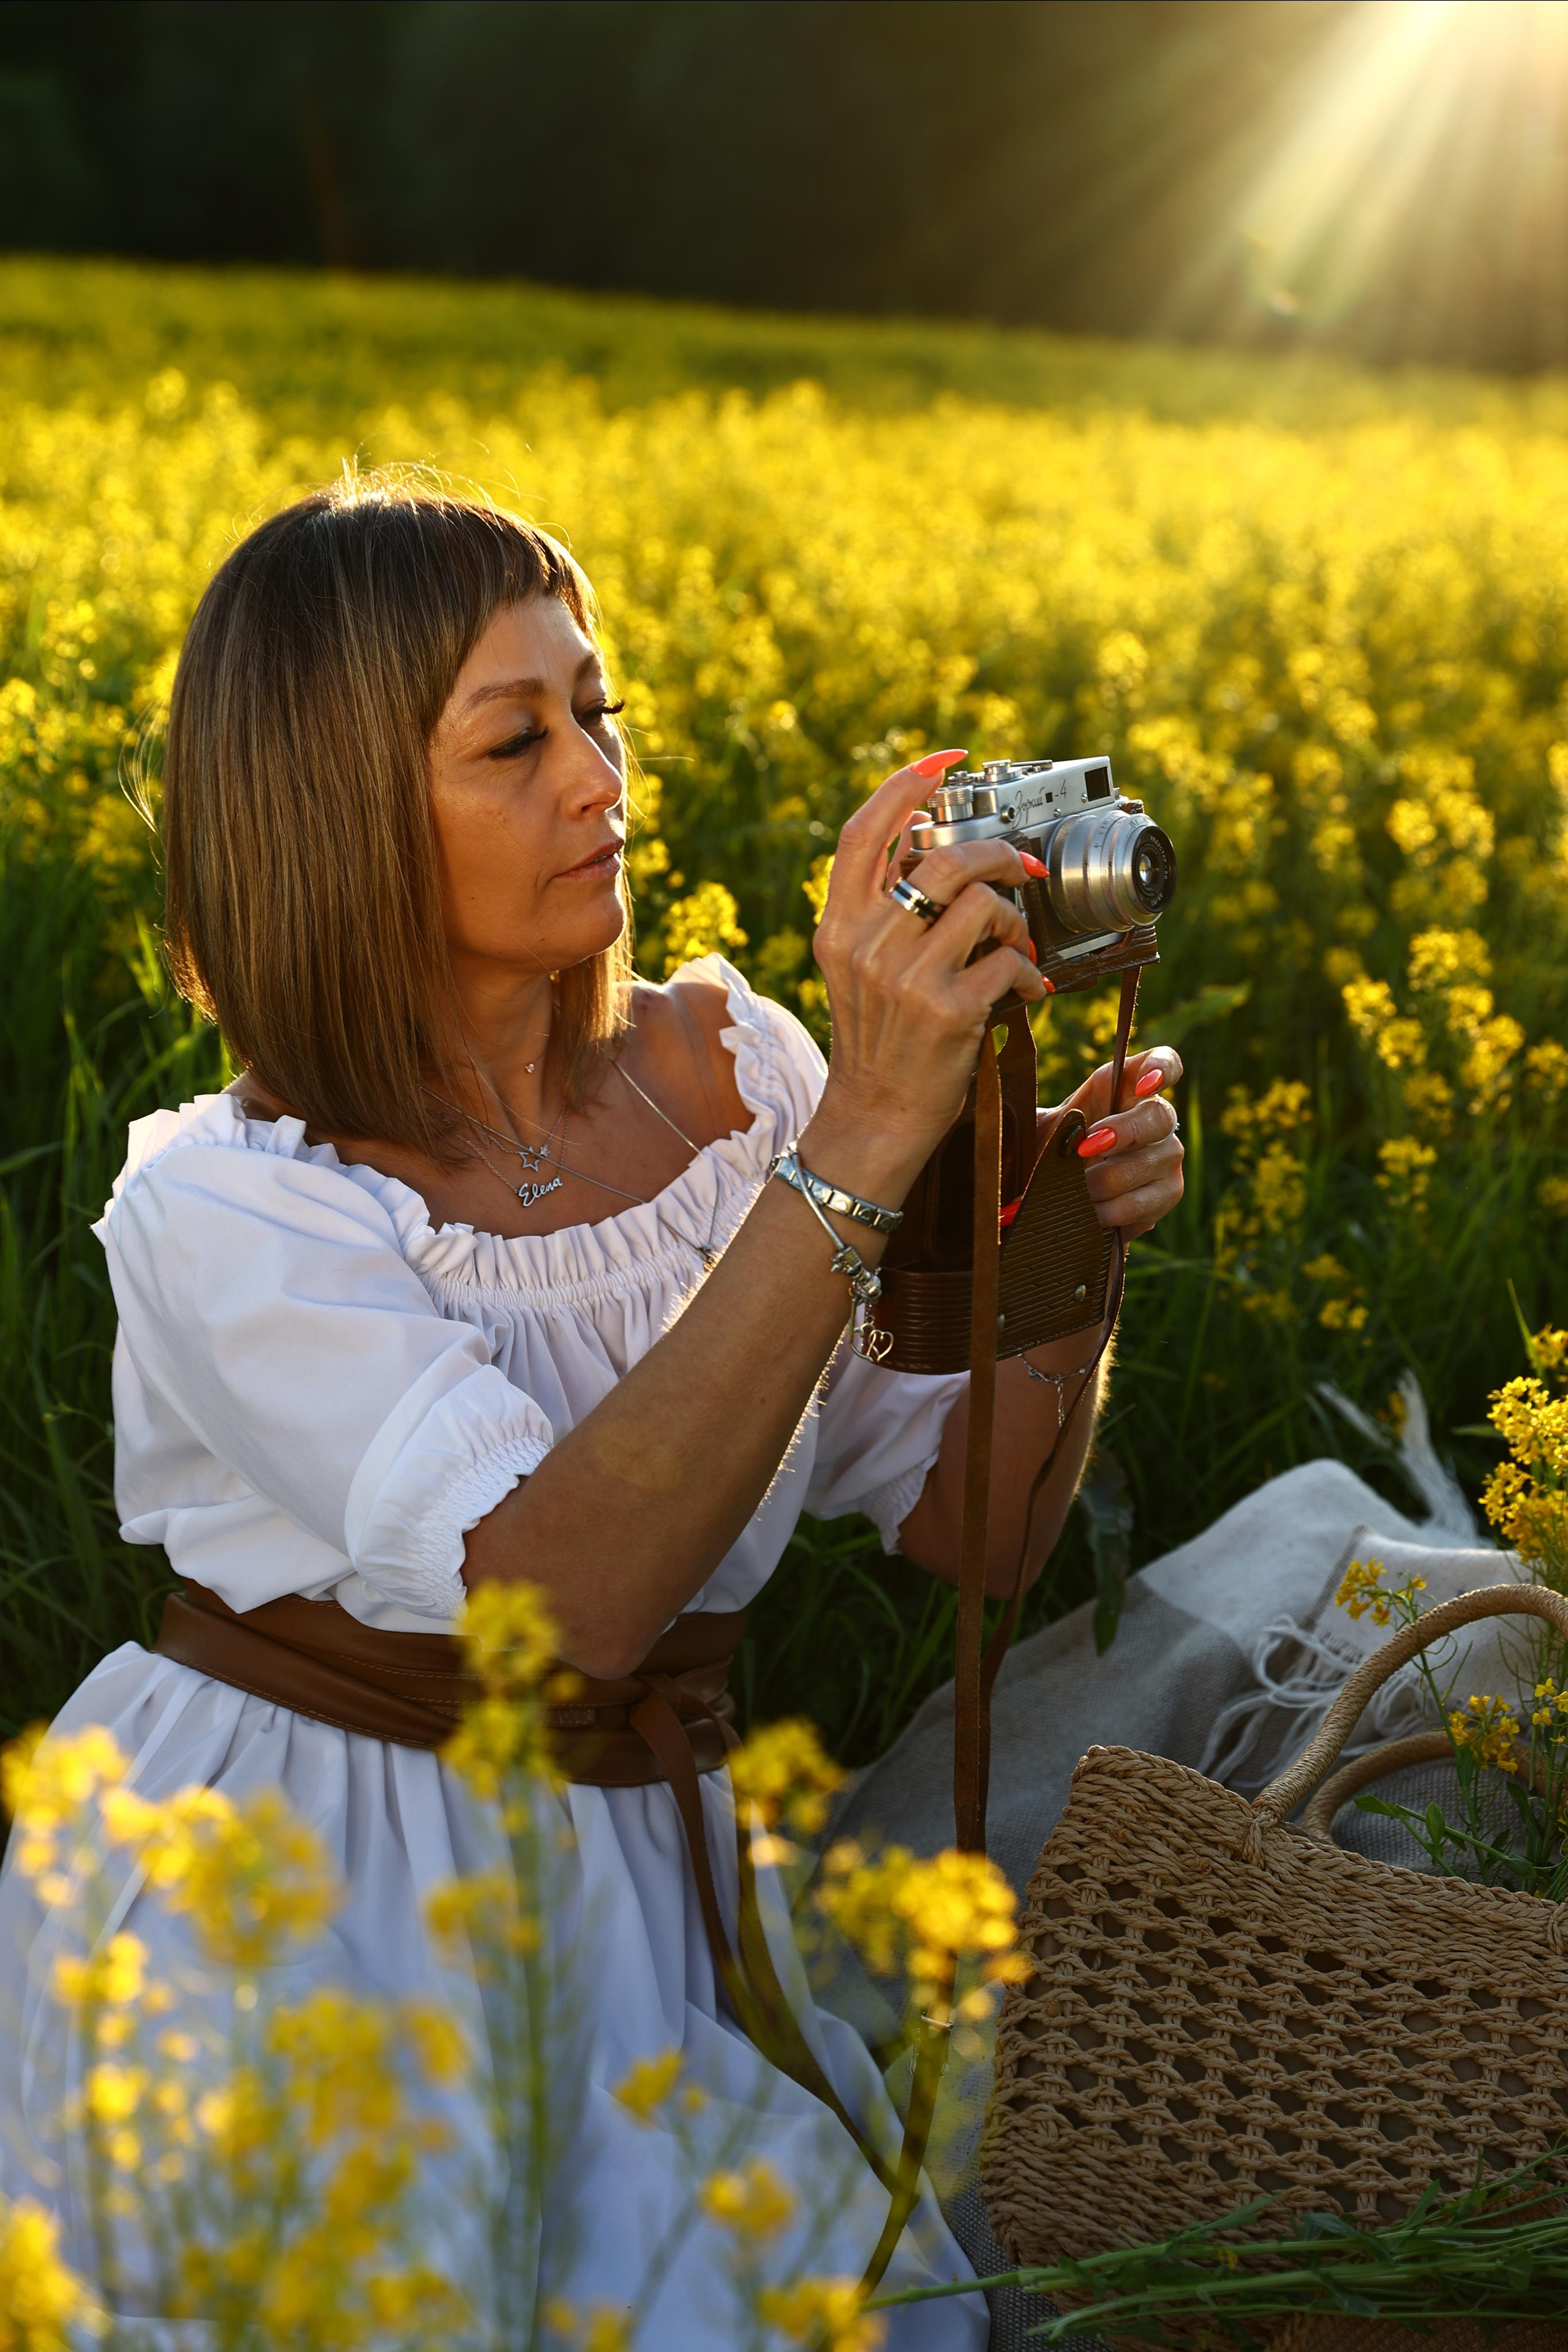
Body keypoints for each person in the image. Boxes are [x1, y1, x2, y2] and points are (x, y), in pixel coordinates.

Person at [0, 479, 1184, 2343]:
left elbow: (980, 1531)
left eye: (601, 708)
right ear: (337, 799)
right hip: (307, 1903)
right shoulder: (232, 1207)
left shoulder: (747, 1086)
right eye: (516, 737)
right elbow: (557, 1621)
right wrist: (872, 1143)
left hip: (660, 1895)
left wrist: (1054, 1257)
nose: (598, 777)